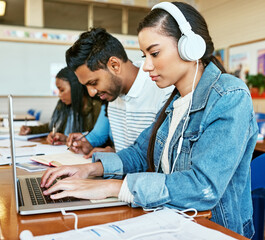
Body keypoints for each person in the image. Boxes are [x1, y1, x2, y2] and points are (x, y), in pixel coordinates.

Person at [41, 2, 258, 238]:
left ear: (190, 47)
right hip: (170, 220)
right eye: (144, 55)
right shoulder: (174, 101)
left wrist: (112, 187)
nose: (146, 66)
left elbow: (203, 187)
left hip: (214, 229)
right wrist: (89, 169)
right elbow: (141, 153)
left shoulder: (229, 96)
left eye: (154, 53)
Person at [65, 28, 173, 156]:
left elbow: (162, 162)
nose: (91, 93)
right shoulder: (113, 94)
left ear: (115, 65)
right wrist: (114, 154)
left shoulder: (162, 89)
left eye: (93, 83)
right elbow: (132, 155)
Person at [19, 67, 102, 145]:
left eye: (62, 90)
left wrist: (67, 139)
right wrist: (31, 130)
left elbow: (98, 138)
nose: (59, 95)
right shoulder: (63, 104)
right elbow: (52, 126)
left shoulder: (96, 107)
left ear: (75, 87)